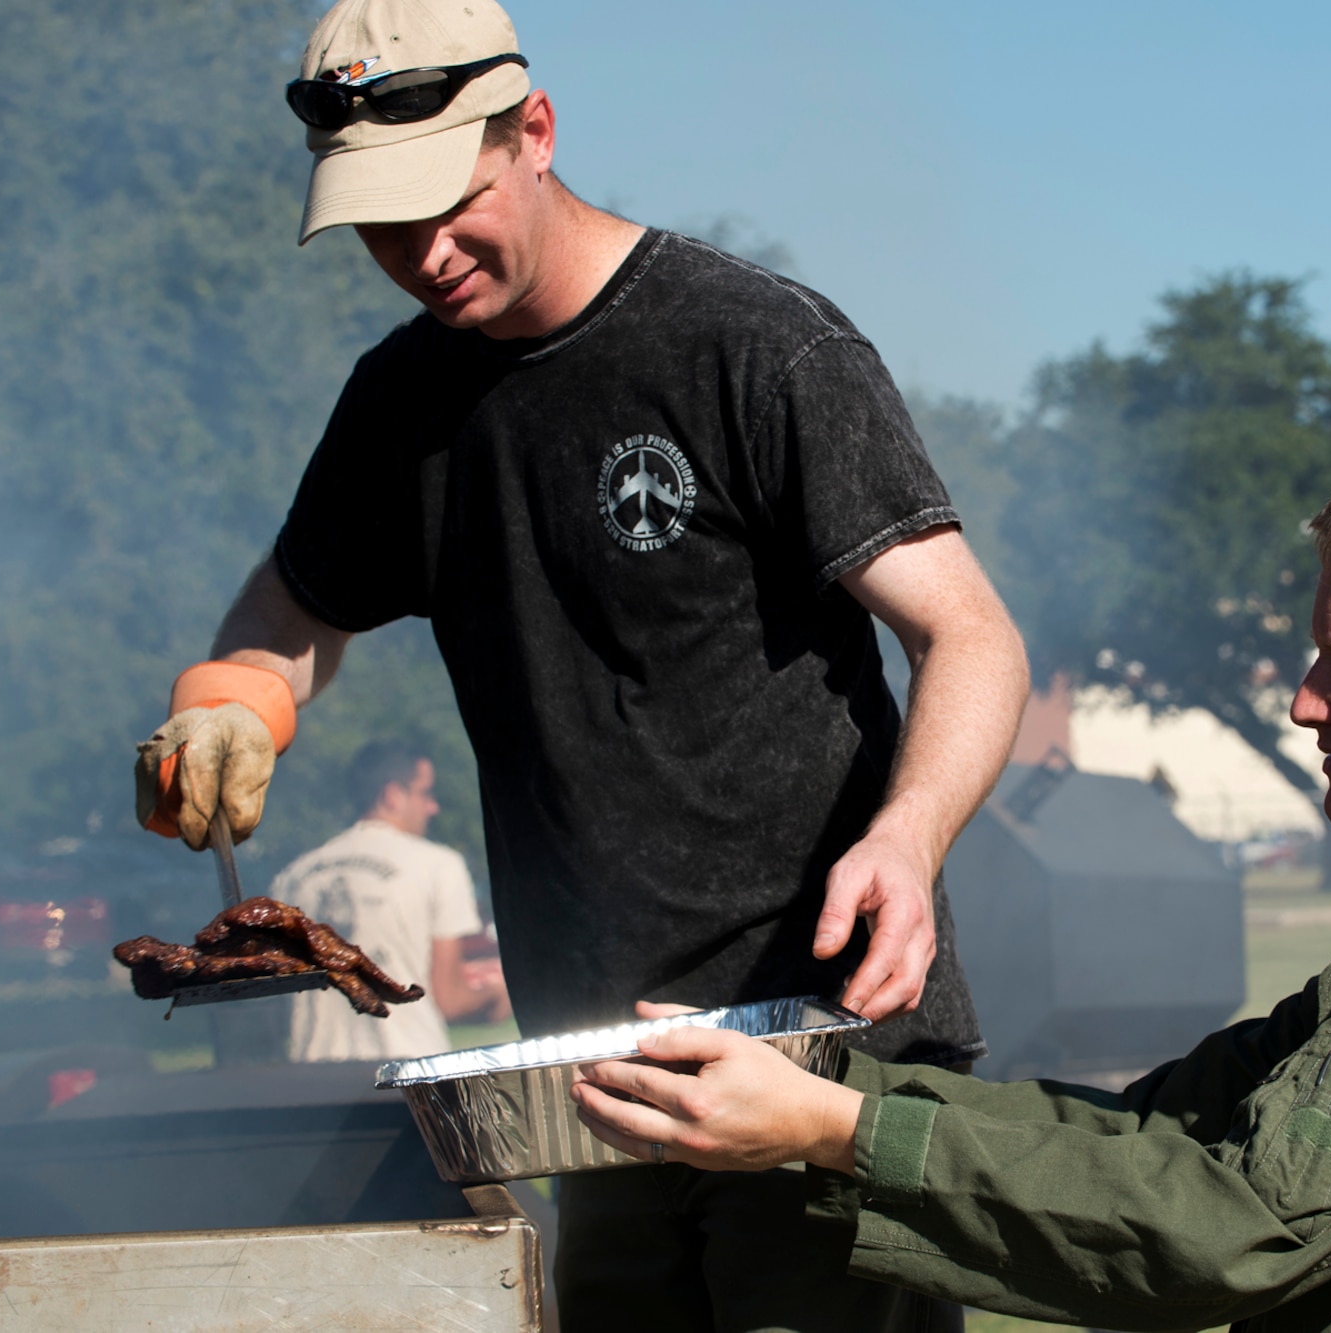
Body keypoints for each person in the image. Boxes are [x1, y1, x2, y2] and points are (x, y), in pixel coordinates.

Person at [129, 0, 1028, 1326]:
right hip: (591, 1076)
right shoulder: (402, 404)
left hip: (815, 1045)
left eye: (447, 201)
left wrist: (911, 836)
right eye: (381, 224)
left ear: (535, 132)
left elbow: (970, 636)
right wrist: (230, 705)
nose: (424, 253)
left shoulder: (752, 344)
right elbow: (287, 615)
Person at [571, 456, 1331, 1333]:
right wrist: (815, 1094)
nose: (1304, 704)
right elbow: (1154, 1131)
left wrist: (841, 1130)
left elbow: (1241, 1219)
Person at [273, 740, 509, 1062]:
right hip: (408, 1071)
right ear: (392, 795)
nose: (433, 807)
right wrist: (503, 994)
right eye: (426, 793)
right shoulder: (438, 865)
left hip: (312, 1076)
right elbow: (451, 1000)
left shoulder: (292, 877)